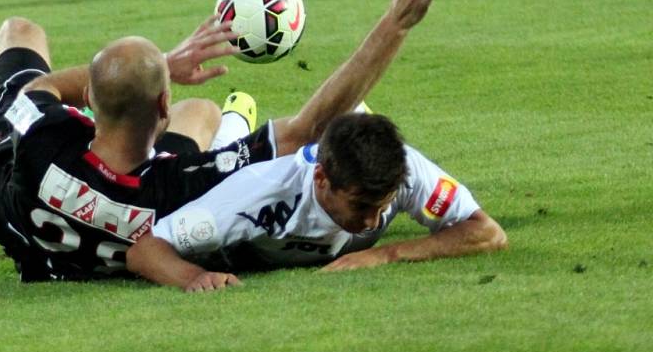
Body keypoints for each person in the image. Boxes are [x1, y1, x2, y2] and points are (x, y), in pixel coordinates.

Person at [0, 0, 450, 282]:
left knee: (18, 34)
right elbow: (309, 128)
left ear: (91, 106)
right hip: (78, 251)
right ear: (160, 105)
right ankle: (228, 118)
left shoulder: (42, 139)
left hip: (8, 204)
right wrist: (396, 23)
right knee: (201, 113)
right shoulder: (181, 188)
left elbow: (37, 92)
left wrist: (155, 66)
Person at [126, 112, 508, 292]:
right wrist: (195, 277)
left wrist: (385, 254)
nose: (374, 221)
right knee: (190, 133)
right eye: (361, 207)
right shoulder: (257, 195)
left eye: (384, 205)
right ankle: (230, 116)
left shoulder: (405, 168)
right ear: (322, 180)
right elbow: (144, 250)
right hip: (212, 176)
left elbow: (486, 232)